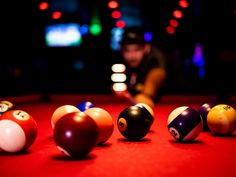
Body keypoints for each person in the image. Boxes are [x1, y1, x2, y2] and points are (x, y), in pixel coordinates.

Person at [114, 27, 167, 108]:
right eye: (127, 50)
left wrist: (145, 96)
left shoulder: (155, 59)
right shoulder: (119, 60)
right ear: (121, 49)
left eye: (137, 50)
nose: (132, 56)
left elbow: (156, 74)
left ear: (146, 48)